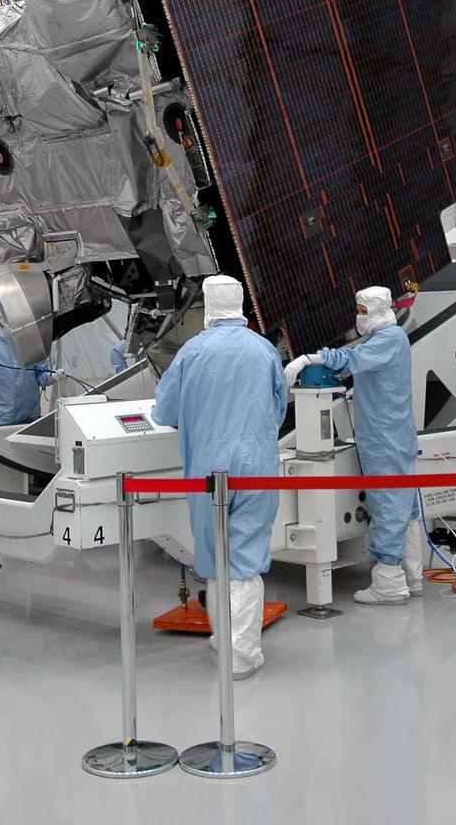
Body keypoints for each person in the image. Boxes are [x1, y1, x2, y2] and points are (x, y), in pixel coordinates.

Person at [151, 274, 288, 678]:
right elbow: (279, 409)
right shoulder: (263, 351)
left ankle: (226, 642)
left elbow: (165, 412)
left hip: (208, 470)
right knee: (245, 559)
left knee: (214, 558)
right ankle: (241, 653)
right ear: (240, 303)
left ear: (209, 306)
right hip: (258, 466)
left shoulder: (192, 353)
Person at [285, 287, 423, 604]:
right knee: (404, 504)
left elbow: (350, 360)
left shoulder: (389, 339)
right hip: (391, 435)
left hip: (384, 438)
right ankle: (412, 575)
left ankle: (390, 582)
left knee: (388, 504)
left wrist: (311, 358)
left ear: (375, 310)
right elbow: (352, 364)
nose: (358, 316)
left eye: (361, 310)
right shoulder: (385, 339)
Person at [0, 318, 52, 425]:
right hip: (2, 419)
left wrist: (52, 377)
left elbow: (41, 377)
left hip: (30, 417)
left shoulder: (30, 345)